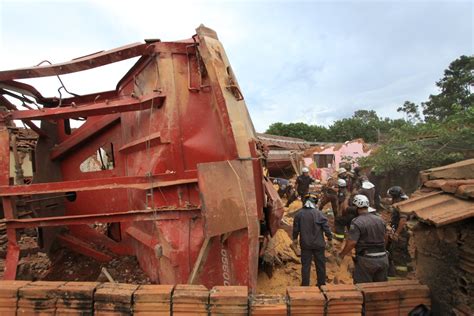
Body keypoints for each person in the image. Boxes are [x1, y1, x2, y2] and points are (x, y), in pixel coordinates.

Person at [337, 194, 389, 283]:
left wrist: (342, 255)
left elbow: (352, 242)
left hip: (367, 261)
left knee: (363, 289)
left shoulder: (357, 222)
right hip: (383, 259)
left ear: (356, 207)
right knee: (380, 290)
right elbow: (386, 237)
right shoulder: (380, 220)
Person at [293, 192, 332, 286]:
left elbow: (295, 230)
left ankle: (305, 285)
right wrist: (330, 238)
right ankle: (321, 284)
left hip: (305, 244)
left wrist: (294, 239)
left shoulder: (299, 214)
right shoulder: (320, 214)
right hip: (319, 244)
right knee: (320, 265)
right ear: (315, 202)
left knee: (306, 265)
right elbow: (326, 228)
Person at [386, 186, 411, 276]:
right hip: (402, 232)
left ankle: (400, 274)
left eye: (391, 197)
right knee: (404, 251)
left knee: (397, 253)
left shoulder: (402, 204)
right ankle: (410, 269)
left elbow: (403, 220)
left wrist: (396, 234)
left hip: (401, 233)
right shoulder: (404, 201)